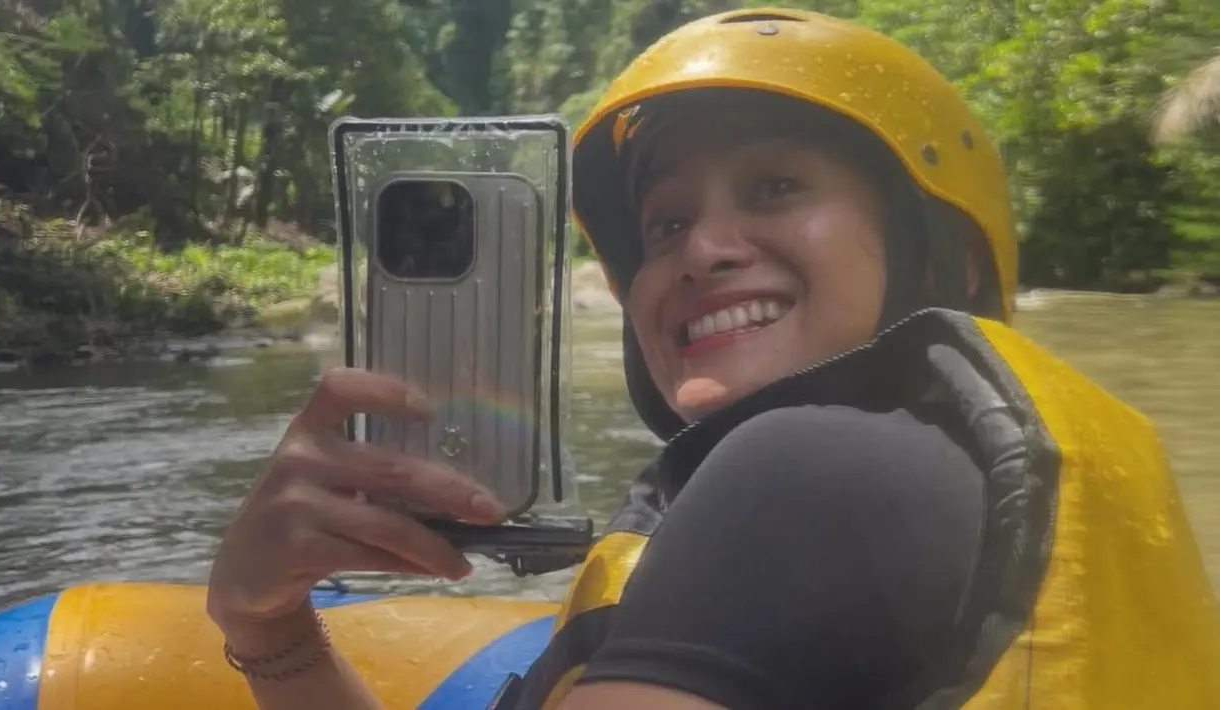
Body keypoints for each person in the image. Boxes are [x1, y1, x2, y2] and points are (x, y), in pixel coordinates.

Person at [206, 7, 1220, 710]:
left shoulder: (809, 468)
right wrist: (269, 624)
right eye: (666, 223)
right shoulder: (951, 471)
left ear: (942, 253)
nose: (702, 249)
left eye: (774, 187)